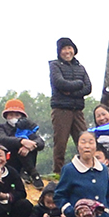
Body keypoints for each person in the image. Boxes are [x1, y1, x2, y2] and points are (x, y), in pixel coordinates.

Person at [44, 36, 91, 169]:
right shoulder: (55, 65)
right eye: (64, 49)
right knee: (60, 142)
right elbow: (60, 83)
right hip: (61, 109)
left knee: (84, 140)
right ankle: (58, 171)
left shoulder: (80, 67)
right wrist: (78, 85)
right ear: (59, 52)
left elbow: (88, 87)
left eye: (69, 48)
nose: (67, 51)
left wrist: (72, 92)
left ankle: (87, 168)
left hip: (78, 109)